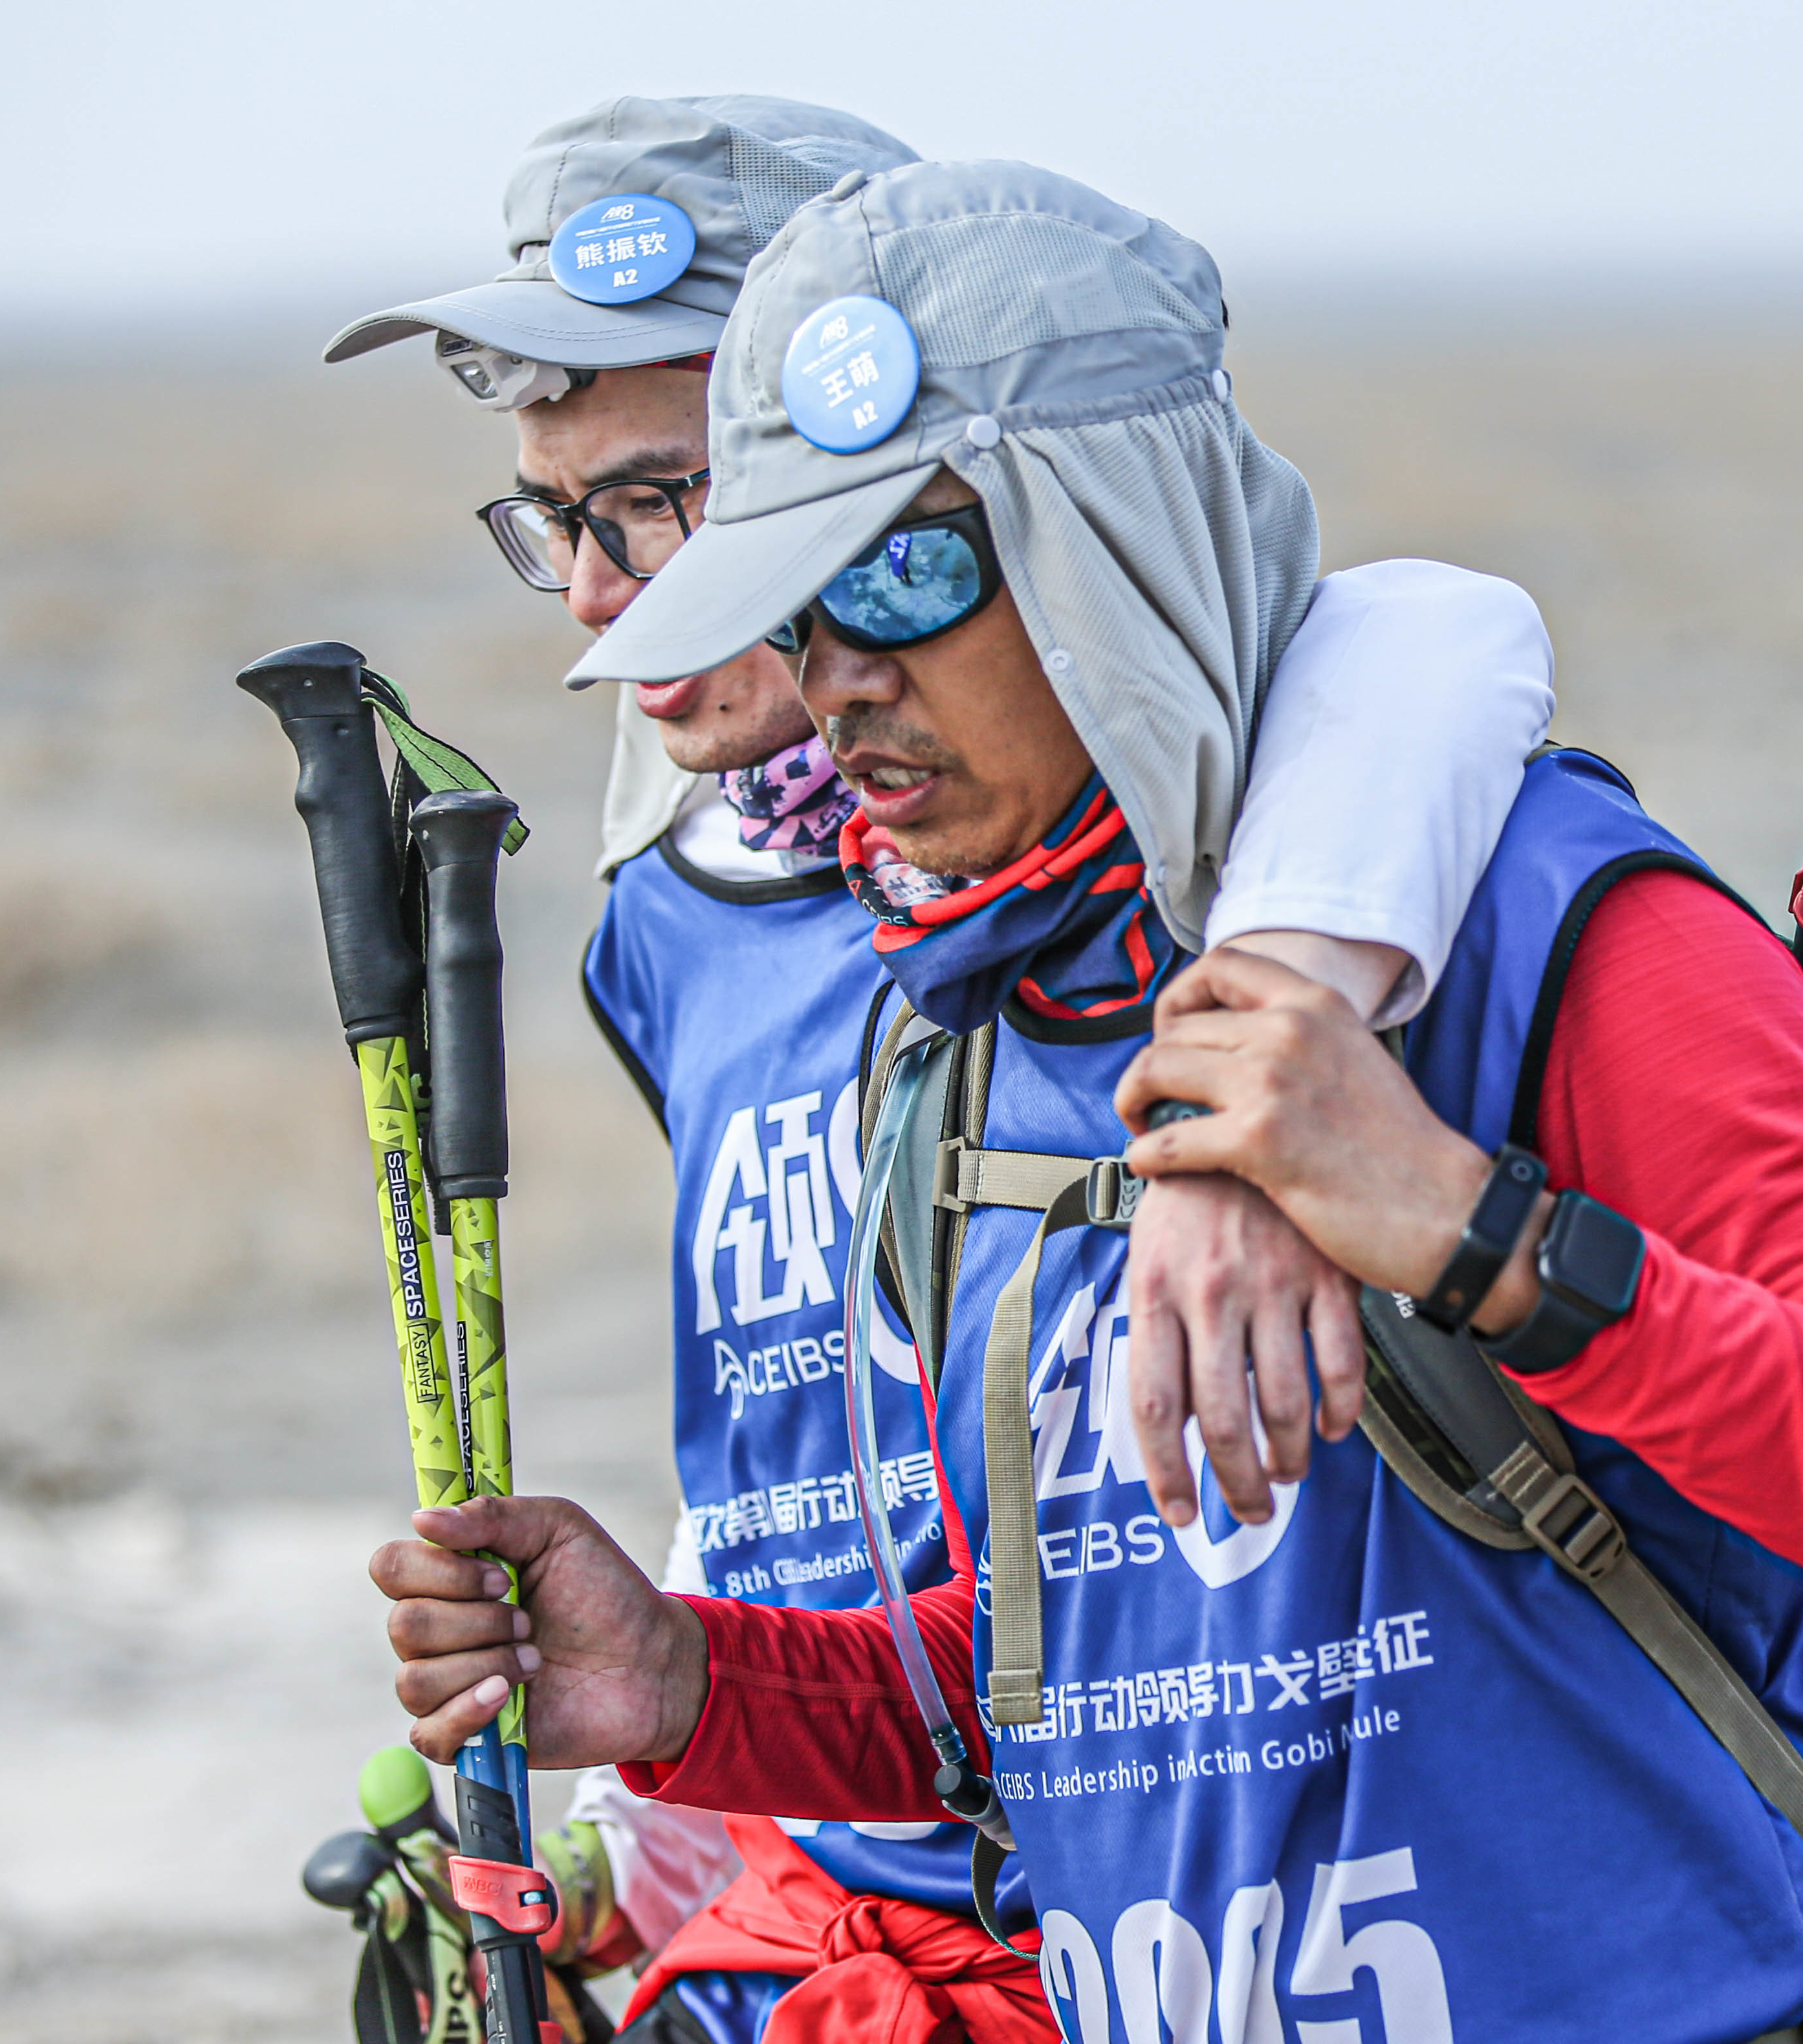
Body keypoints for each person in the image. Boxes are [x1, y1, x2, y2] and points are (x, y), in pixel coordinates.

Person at [371, 159, 1803, 2044]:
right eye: (790, 608)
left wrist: (1478, 1240)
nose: (838, 680)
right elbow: (1084, 1683)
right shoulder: (961, 1039)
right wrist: (699, 1687)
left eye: (900, 569)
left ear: (1115, 542)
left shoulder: (1543, 919)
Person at [327, 100, 1555, 2044]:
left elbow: (1437, 636)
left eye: (663, 502)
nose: (599, 591)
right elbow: (786, 1435)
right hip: (822, 1856)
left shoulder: (1192, 817)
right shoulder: (669, 895)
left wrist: (1255, 1064)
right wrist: (634, 1839)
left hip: (1190, 1885)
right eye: (558, 522)